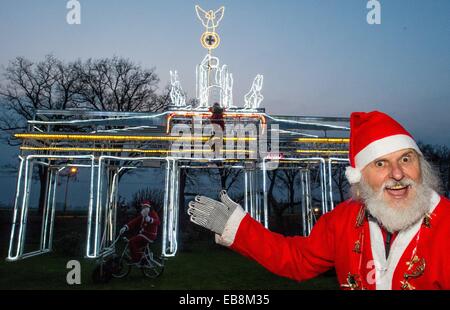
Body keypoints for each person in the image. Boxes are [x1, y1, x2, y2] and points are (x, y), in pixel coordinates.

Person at [187, 111, 450, 290]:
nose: (397, 174)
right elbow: (298, 259)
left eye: (406, 158)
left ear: (421, 164)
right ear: (360, 176)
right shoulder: (343, 220)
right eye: (381, 163)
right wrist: (238, 228)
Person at [120, 200, 160, 265]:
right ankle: (142, 258)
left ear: (148, 207)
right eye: (143, 207)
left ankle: (137, 259)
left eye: (145, 207)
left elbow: (158, 222)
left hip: (149, 235)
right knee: (133, 244)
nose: (143, 208)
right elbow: (135, 221)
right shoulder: (143, 215)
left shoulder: (153, 213)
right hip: (144, 234)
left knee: (132, 241)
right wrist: (126, 227)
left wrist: (150, 220)